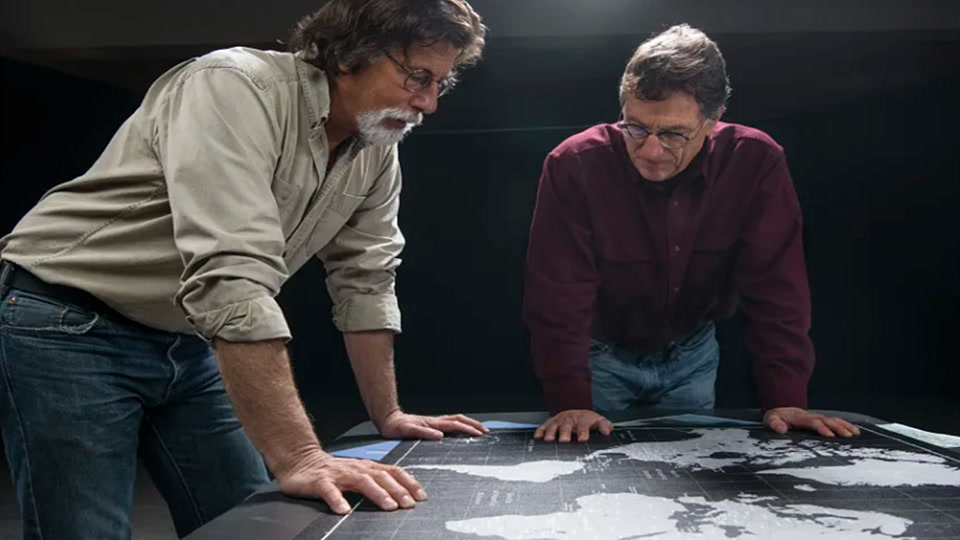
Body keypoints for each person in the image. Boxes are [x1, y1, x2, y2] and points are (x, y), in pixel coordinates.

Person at [0, 1, 489, 538]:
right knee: (84, 531)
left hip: (190, 334)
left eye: (440, 83)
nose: (428, 103)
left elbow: (366, 277)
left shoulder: (375, 144)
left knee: (252, 523)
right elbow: (231, 274)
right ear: (352, 55)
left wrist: (388, 415)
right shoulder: (233, 85)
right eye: (417, 76)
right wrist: (301, 455)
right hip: (68, 322)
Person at [522, 24, 860, 444]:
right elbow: (558, 295)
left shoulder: (756, 161)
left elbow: (777, 288)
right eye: (635, 128)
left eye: (673, 134)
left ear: (713, 120)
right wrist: (569, 399)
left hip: (692, 354)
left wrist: (786, 396)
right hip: (598, 356)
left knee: (691, 468)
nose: (650, 151)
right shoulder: (574, 163)